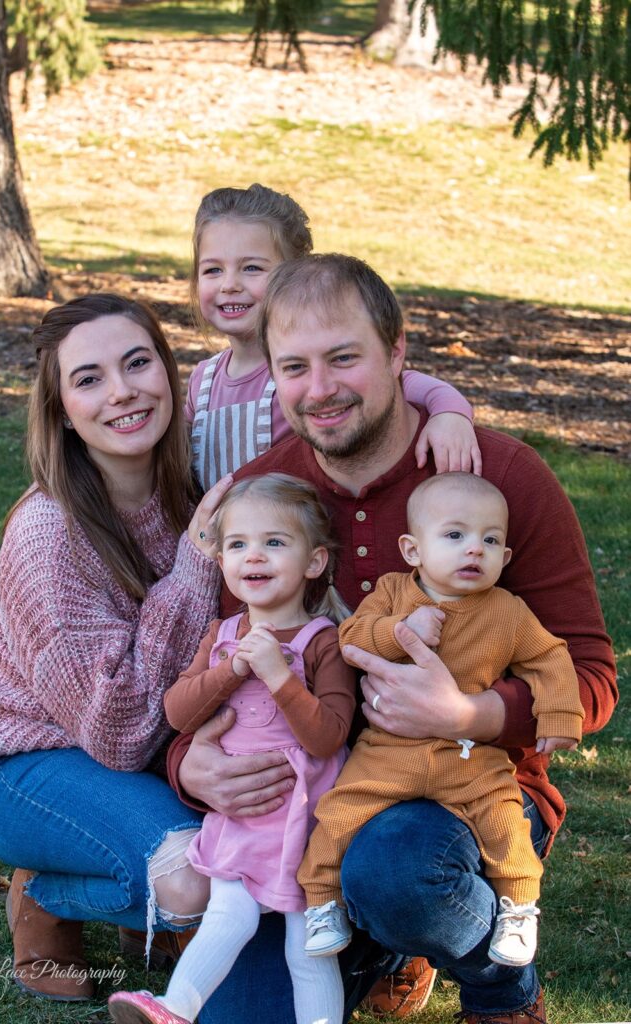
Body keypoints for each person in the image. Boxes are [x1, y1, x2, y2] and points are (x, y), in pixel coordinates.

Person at [168, 254, 617, 1024]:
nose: (321, 389)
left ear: (398, 352)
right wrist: (190, 766)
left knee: (398, 870)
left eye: (344, 357)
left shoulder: (498, 478)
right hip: (301, 810)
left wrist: (468, 714)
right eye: (295, 367)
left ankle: (497, 987)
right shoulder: (265, 502)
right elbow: (215, 664)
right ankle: (381, 939)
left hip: (469, 791)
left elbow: (590, 679)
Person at [0, 293, 233, 1002]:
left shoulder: (185, 490)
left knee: (259, 850)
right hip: (27, 763)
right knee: (197, 879)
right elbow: (118, 731)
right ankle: (48, 894)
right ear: (62, 411)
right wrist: (198, 557)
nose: (122, 392)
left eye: (138, 363)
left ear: (169, 374)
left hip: (140, 754)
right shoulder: (50, 536)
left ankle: (147, 900)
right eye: (89, 379)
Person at [298, 472, 583, 976]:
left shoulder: (508, 612)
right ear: (413, 550)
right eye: (455, 536)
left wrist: (559, 714)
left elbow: (551, 657)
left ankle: (518, 909)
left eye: (490, 540)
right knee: (338, 814)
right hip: (388, 754)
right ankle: (322, 902)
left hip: (470, 757)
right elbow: (352, 638)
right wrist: (398, 631)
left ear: (505, 558)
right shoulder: (392, 593)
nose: (474, 549)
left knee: (503, 822)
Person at [108, 474, 356, 1024]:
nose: (254, 557)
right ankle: (175, 1008)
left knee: (307, 950)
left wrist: (279, 676)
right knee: (227, 918)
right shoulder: (222, 635)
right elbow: (178, 713)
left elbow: (329, 734)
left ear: (314, 562)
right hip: (241, 819)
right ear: (221, 560)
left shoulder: (322, 641)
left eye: (275, 542)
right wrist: (233, 670)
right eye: (238, 545)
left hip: (305, 822)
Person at [185, 183, 482, 489]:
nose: (229, 285)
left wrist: (451, 417)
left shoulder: (308, 370)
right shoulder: (204, 380)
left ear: (299, 277)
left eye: (251, 268)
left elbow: (413, 386)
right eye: (212, 271)